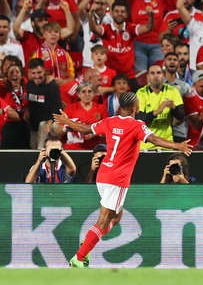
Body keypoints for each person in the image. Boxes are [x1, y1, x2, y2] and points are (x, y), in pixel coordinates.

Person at [54, 92, 192, 268]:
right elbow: (154, 139)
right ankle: (80, 257)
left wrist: (67, 121)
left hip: (103, 175)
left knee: (117, 217)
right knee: (103, 220)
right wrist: (177, 145)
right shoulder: (137, 126)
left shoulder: (109, 121)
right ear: (135, 108)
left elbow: (84, 128)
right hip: (117, 179)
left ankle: (90, 242)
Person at [136, 64, 185, 150]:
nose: (156, 76)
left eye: (158, 73)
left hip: (166, 144)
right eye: (152, 73)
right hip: (145, 145)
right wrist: (158, 110)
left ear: (163, 75)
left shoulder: (172, 91)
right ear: (147, 77)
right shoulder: (141, 93)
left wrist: (174, 108)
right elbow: (139, 118)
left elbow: (181, 116)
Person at [26, 58, 63, 149]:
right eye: (33, 73)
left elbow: (57, 107)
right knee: (34, 152)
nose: (37, 76)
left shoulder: (51, 86)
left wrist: (50, 122)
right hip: (34, 127)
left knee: (42, 150)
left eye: (39, 72)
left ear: (44, 71)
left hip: (48, 126)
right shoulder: (29, 85)